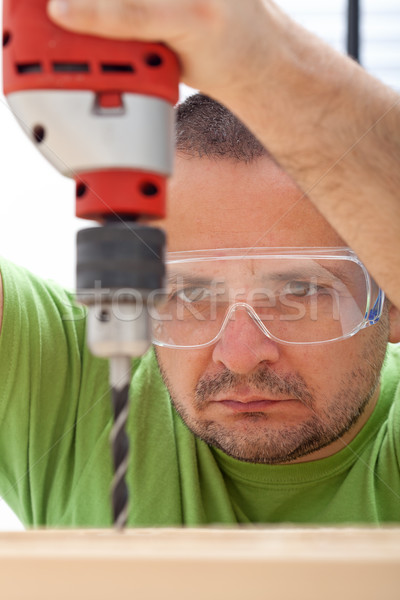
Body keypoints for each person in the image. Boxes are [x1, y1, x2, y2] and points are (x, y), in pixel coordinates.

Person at [0, 0, 399, 527]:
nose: (239, 356)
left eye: (302, 290)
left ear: (388, 300)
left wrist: (269, 61)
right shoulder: (62, 376)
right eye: (188, 295)